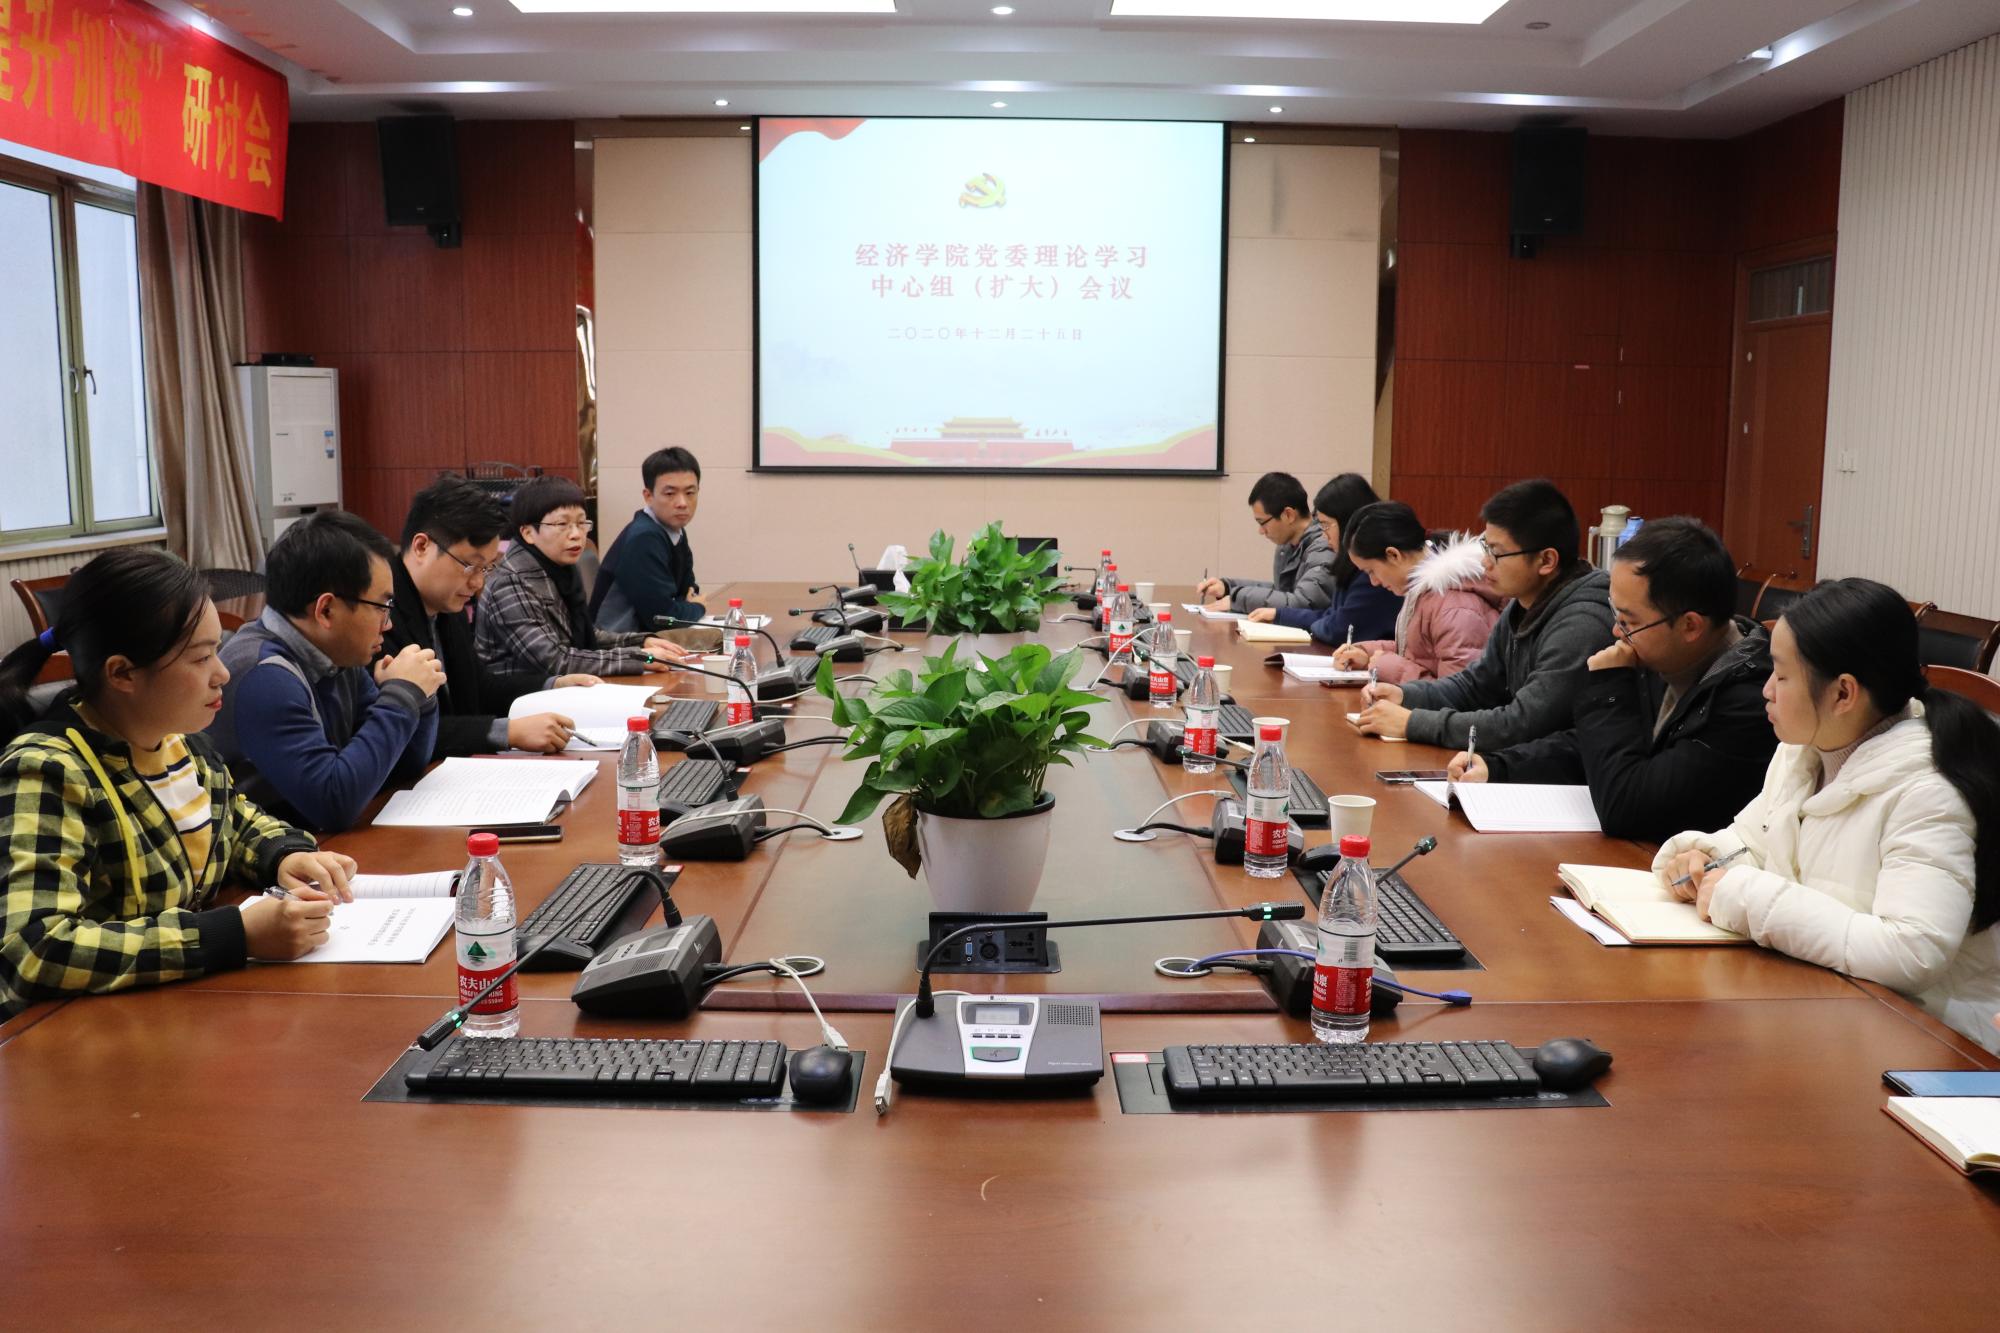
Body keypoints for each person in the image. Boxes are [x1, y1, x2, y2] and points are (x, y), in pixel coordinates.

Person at [0, 550, 358, 1019]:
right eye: (202, 657)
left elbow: (234, 820)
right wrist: (234, 935)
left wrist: (284, 854)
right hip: (73, 1033)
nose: (222, 673)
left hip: (178, 1011)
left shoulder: (178, 743)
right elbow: (34, 949)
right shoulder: (48, 771)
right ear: (122, 673)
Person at [1654, 578, 2000, 1055]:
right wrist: (1704, 858)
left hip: (1932, 1041)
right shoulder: (1806, 750)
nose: (1766, 691)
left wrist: (1745, 898)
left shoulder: (1928, 791)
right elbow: (1755, 842)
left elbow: (1912, 952)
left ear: (1843, 694)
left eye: (1782, 676)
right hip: (1828, 1007)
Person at [1446, 517, 1776, 841]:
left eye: (1629, 622)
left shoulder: (1750, 703)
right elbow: (1591, 747)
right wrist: (1498, 767)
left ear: (1690, 626)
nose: (1617, 632)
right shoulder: (1667, 655)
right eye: (1615, 614)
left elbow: (1626, 808)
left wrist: (1610, 687)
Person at [213, 510, 446, 832]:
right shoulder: (263, 676)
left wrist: (420, 697)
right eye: (382, 607)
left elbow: (401, 765)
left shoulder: (335, 655)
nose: (388, 624)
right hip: (264, 856)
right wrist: (402, 695)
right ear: (326, 610)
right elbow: (333, 803)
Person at [1353, 478, 1612, 748]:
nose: (1485, 562)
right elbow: (1475, 685)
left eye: (1497, 553)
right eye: (1485, 548)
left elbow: (1522, 723)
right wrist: (1405, 695)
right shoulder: (1522, 605)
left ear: (1546, 560)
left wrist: (1412, 723)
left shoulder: (1581, 625)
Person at [386, 476, 604, 759]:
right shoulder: (382, 614)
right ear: (421, 547)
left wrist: (553, 685)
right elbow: (401, 730)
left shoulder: (447, 605)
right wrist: (506, 731)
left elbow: (481, 687)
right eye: (470, 566)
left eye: (486, 568)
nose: (478, 583)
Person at [475, 475, 690, 680]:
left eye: (581, 523)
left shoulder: (560, 569)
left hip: (561, 692)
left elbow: (584, 637)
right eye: (562, 524)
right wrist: (639, 658)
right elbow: (555, 660)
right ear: (528, 533)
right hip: (523, 700)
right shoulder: (511, 583)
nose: (576, 534)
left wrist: (643, 642)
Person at [1330, 501, 1501, 683]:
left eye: (1371, 571)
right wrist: (1368, 654)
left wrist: (1388, 667)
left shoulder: (1454, 606)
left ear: (1393, 555)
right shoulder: (1427, 589)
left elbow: (1459, 692)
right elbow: (1421, 652)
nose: (1373, 582)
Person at [1244, 474, 1402, 646]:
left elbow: (1337, 629)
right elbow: (1331, 616)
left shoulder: (1373, 572)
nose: (1323, 534)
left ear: (1348, 522)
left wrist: (1317, 622)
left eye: (1326, 525)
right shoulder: (1349, 565)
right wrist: (1279, 615)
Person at [592, 446, 706, 633]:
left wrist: (684, 605)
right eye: (670, 493)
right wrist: (698, 607)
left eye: (690, 493)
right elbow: (662, 618)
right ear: (648, 496)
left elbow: (689, 590)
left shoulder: (674, 530)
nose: (682, 503)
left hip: (650, 637)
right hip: (619, 643)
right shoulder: (644, 538)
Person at [1193, 472, 1337, 613]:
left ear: (1288, 515)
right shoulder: (1288, 545)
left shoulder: (1324, 547)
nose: (1261, 531)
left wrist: (1238, 598)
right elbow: (1281, 593)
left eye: (1263, 522)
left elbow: (1301, 603)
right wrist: (1227, 588)